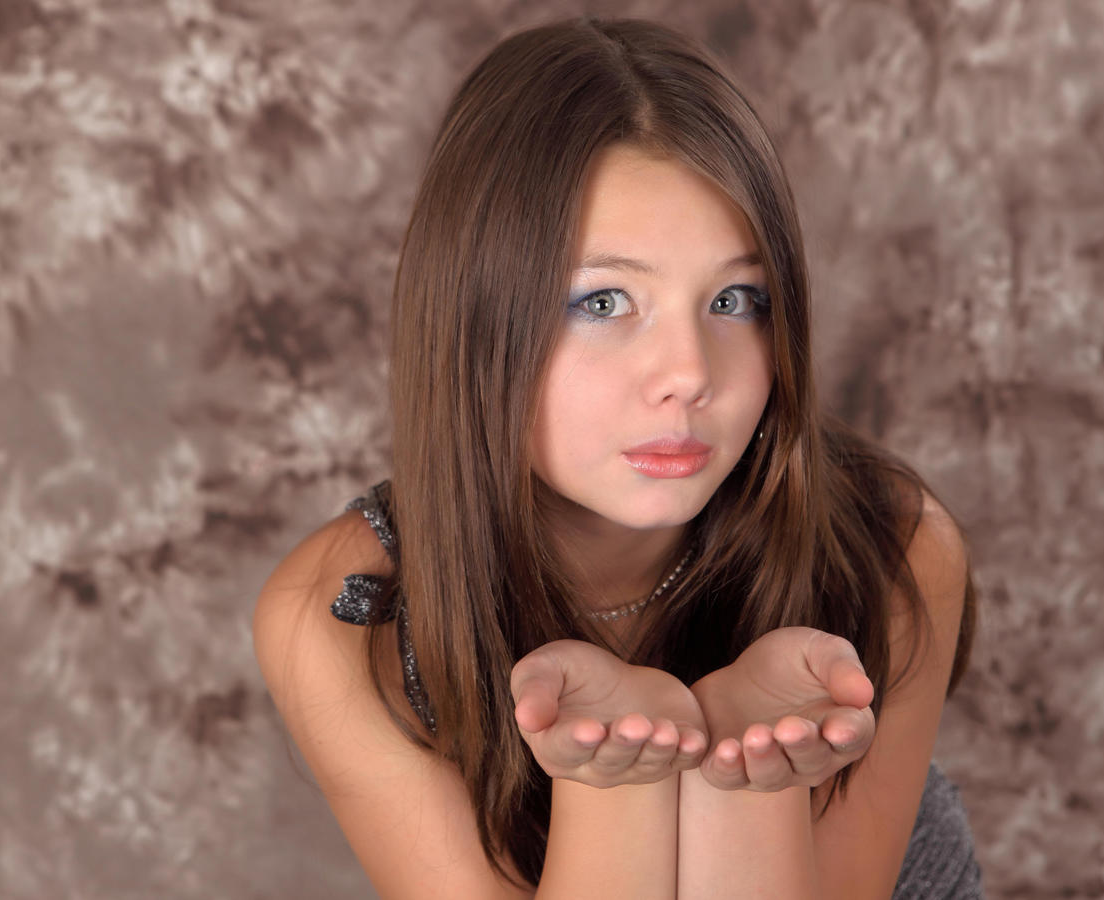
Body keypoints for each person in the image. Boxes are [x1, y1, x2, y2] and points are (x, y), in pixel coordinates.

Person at [253, 15, 981, 899]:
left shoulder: (894, 549)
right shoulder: (339, 617)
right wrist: (616, 781)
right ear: (476, 319)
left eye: (735, 299)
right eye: (602, 303)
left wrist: (746, 781)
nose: (688, 375)